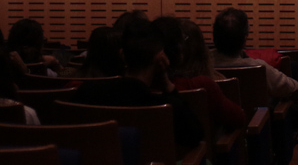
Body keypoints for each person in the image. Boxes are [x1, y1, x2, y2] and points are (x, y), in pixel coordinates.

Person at [71, 18, 204, 150]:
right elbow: (195, 137)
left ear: (122, 55)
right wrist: (168, 85)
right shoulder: (167, 106)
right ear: (159, 59)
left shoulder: (85, 93)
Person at [209, 7, 298, 100]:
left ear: (214, 37)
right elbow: (296, 89)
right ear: (245, 39)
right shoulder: (258, 67)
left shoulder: (199, 66)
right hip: (256, 116)